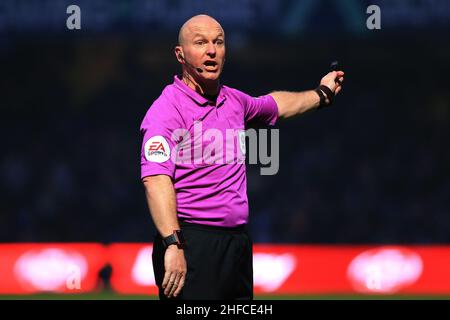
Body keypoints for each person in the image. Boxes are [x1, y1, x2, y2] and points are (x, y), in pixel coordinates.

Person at [140, 14, 344, 300]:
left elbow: (277, 105)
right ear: (180, 54)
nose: (211, 50)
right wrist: (173, 244)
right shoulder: (166, 110)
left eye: (218, 42)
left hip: (237, 244)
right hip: (192, 243)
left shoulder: (234, 101)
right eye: (200, 43)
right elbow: (156, 179)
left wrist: (322, 93)